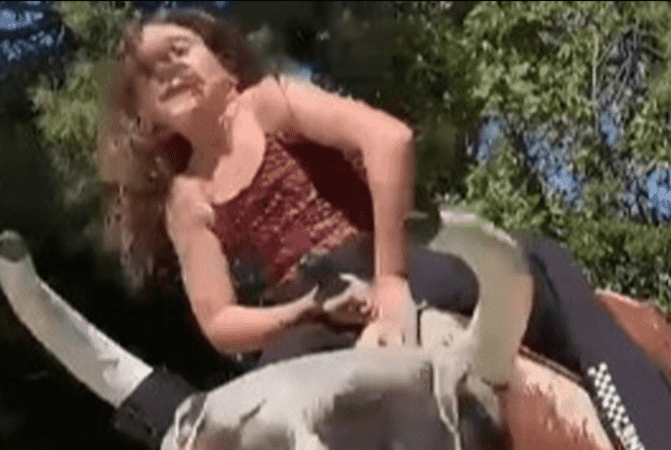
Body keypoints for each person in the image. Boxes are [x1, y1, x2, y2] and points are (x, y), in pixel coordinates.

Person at [65, 7, 671, 449]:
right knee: (253, 423)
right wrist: (303, 310)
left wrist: (389, 282)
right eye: (148, 72)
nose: (167, 68)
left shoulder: (269, 102)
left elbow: (388, 139)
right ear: (145, 116)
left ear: (224, 64)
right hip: (308, 313)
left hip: (391, 260)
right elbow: (221, 321)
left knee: (541, 264)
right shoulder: (186, 198)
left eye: (179, 49)